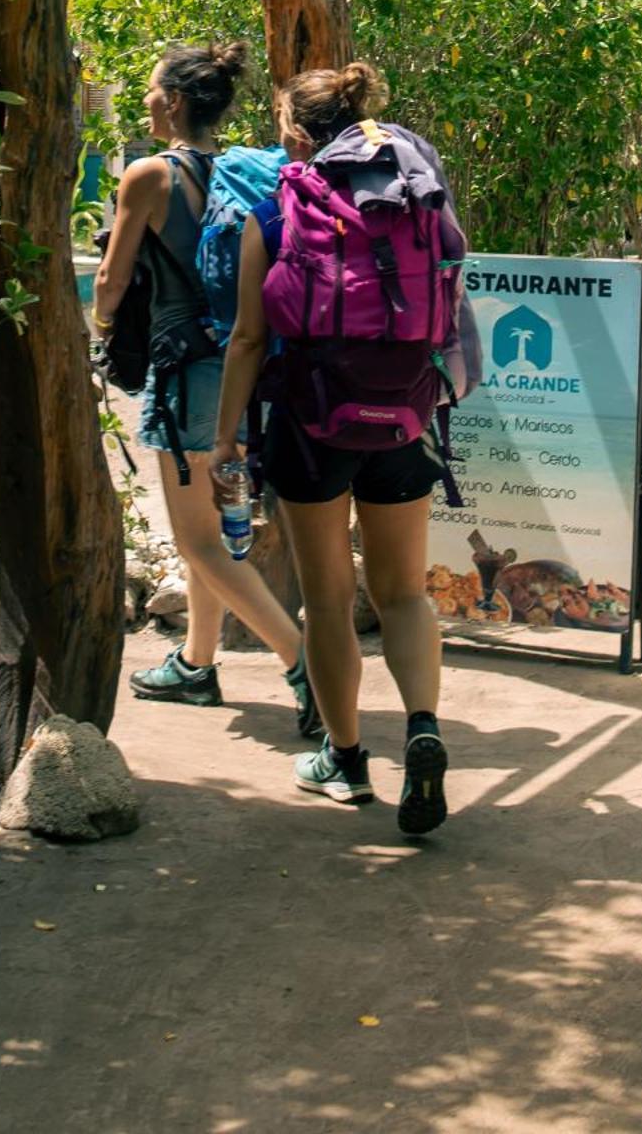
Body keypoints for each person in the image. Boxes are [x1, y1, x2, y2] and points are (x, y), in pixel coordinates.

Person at [210, 61, 453, 836]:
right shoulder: (411, 201)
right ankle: (421, 727)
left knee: (325, 601)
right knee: (404, 592)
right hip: (402, 416)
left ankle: (344, 759)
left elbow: (249, 337)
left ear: (291, 131)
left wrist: (224, 440)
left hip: (312, 426)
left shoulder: (276, 215)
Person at [92, 41, 318, 734]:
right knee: (209, 533)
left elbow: (112, 280)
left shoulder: (148, 176)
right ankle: (195, 662)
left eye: (152, 90)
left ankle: (306, 664)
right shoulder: (245, 169)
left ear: (176, 101)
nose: (144, 100)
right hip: (246, 372)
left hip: (188, 376)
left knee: (199, 544)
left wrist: (101, 329)